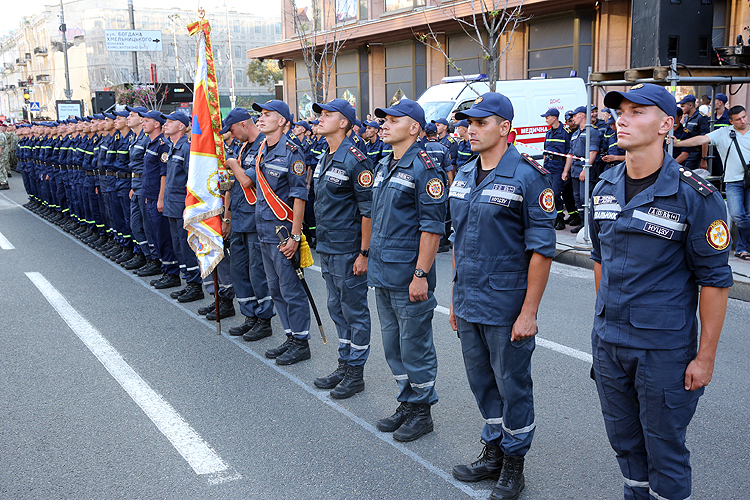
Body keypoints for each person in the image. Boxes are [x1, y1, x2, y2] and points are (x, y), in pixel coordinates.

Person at [592, 83, 733, 500]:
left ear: (666, 125)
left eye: (638, 112)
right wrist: (601, 324)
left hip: (663, 351)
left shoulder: (695, 195)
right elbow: (600, 259)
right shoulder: (604, 186)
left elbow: (715, 280)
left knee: (664, 450)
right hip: (610, 344)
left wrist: (704, 357)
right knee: (626, 445)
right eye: (622, 111)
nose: (624, 118)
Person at [448, 92, 556, 500]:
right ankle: (492, 451)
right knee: (481, 382)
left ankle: (514, 464)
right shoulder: (463, 173)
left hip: (507, 304)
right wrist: (457, 294)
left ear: (505, 128)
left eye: (480, 123)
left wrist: (529, 312)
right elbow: (459, 237)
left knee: (513, 384)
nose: (470, 129)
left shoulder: (527, 176)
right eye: (467, 123)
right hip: (471, 299)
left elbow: (542, 250)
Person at [369, 98, 447, 442]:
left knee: (415, 344)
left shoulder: (425, 167)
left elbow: (432, 227)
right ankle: (407, 399)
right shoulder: (386, 162)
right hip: (383, 271)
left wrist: (421, 274)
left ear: (414, 127)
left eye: (392, 120)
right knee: (392, 343)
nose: (383, 125)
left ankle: (422, 409)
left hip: (407, 274)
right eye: (383, 120)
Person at [310, 98, 373, 399]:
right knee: (336, 308)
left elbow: (367, 211)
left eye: (327, 115)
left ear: (344, 122)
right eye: (320, 114)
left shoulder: (356, 159)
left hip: (349, 250)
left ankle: (356, 373)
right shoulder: (326, 155)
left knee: (354, 311)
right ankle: (344, 363)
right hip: (328, 247)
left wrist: (364, 253)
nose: (320, 119)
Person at [252, 99, 312, 366]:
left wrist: (295, 236)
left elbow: (300, 197)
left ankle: (301, 342)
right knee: (275, 288)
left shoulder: (292, 152)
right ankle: (289, 336)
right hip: (263, 229)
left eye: (268, 114)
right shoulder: (263, 149)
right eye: (260, 114)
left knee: (291, 289)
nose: (261, 118)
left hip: (282, 232)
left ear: (283, 121)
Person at [220, 108, 276, 340]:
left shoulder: (263, 146)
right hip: (240, 217)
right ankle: (250, 315)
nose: (231, 136)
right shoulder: (243, 148)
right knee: (238, 269)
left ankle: (264, 320)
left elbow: (247, 180)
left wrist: (233, 164)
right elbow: (233, 186)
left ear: (243, 124)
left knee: (257, 272)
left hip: (255, 220)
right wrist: (227, 216)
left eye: (232, 130)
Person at [674, 104, 750, 261]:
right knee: (737, 214)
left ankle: (742, 249)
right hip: (733, 180)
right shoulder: (724, 133)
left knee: (748, 215)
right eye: (738, 119)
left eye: (744, 117)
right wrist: (678, 144)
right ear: (731, 121)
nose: (743, 121)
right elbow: (702, 139)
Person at [163, 112, 204, 301]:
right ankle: (188, 280)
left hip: (182, 204)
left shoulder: (186, 148)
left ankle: (195, 285)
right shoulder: (173, 146)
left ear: (181, 126)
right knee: (178, 245)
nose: (166, 124)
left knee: (186, 245)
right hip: (172, 204)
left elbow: (192, 179)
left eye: (170, 122)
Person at [562, 105, 599, 233]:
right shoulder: (576, 133)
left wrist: (585, 169)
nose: (573, 119)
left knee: (585, 198)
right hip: (575, 170)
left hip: (584, 169)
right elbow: (570, 154)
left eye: (575, 116)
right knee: (577, 197)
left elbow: (593, 151)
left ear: (582, 115)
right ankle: (583, 223)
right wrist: (566, 171)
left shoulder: (592, 131)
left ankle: (589, 226)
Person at [541, 108, 571, 229]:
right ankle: (553, 217)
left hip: (559, 167)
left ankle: (560, 219)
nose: (546, 120)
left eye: (547, 118)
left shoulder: (565, 132)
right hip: (548, 167)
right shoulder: (548, 133)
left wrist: (565, 171)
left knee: (556, 193)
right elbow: (545, 152)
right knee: (548, 194)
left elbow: (570, 153)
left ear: (554, 118)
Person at [677, 95, 710, 170]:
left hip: (695, 155)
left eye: (683, 106)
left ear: (691, 105)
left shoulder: (701, 117)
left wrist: (703, 159)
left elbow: (705, 139)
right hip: (686, 153)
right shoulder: (686, 118)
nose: (681, 109)